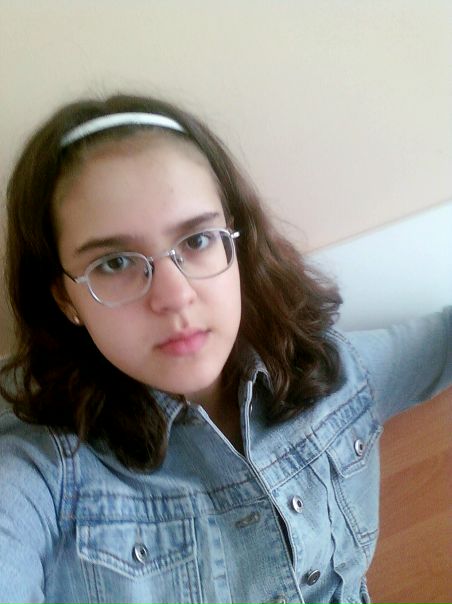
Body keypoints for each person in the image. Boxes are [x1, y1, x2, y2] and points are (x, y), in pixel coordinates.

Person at [0, 93, 450, 604]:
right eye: (114, 263)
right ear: (66, 299)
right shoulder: (41, 474)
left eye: (196, 241)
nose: (174, 296)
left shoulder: (335, 374)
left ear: (235, 242)